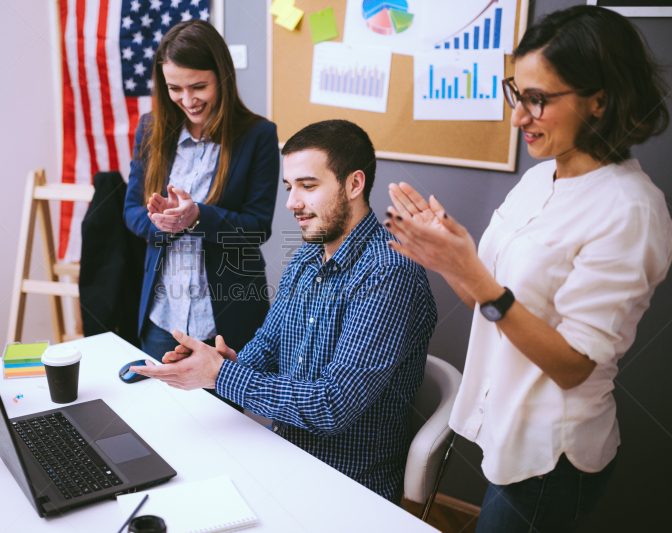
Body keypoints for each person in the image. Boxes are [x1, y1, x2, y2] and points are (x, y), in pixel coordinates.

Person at [383, 6, 671, 531]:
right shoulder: (540, 179)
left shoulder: (631, 210)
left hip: (551, 456)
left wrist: (474, 275)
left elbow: (573, 364)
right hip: (503, 428)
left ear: (600, 101)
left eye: (538, 100)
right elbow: (486, 300)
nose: (518, 118)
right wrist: (444, 257)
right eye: (518, 93)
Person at [131, 120, 437, 502]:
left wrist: (223, 375)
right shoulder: (308, 255)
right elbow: (268, 346)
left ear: (354, 185)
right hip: (282, 456)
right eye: (289, 188)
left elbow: (332, 405)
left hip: (347, 487)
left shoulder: (389, 272)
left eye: (308, 186)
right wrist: (221, 361)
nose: (292, 203)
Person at [124, 20, 280, 381]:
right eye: (175, 88)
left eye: (199, 86)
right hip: (162, 318)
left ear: (222, 77)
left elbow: (257, 228)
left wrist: (197, 216)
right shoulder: (150, 128)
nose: (188, 100)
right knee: (162, 425)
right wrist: (159, 220)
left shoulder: (258, 136)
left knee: (224, 431)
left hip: (226, 319)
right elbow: (131, 210)